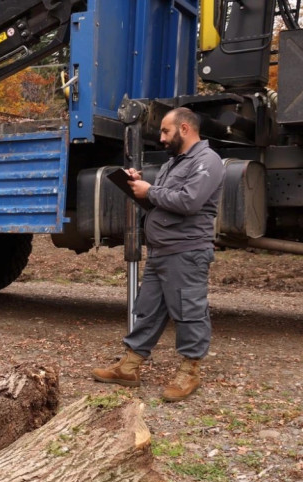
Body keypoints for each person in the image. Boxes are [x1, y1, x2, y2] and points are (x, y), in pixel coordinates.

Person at [92, 107, 223, 402]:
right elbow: (163, 203)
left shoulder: (207, 161)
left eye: (166, 131)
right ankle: (130, 367)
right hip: (163, 249)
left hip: (186, 250)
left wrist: (149, 191)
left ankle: (190, 371)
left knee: (189, 311)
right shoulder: (174, 163)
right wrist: (135, 187)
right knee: (148, 308)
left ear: (185, 129)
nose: (162, 138)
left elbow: (189, 202)